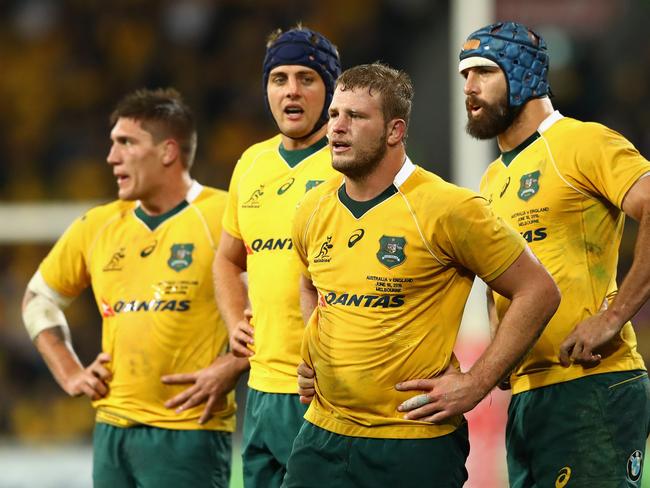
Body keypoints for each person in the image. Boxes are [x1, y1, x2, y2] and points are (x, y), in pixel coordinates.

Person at [283, 62, 560, 488]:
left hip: (412, 442)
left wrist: (475, 384)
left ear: (394, 131)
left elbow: (538, 291)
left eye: (355, 117)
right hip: (321, 436)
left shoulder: (449, 209)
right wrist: (313, 354)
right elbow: (309, 282)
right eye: (334, 114)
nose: (337, 127)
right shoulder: (312, 209)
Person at [426, 20, 649, 487]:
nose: (468, 87)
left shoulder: (581, 142)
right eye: (464, 75)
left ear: (524, 73)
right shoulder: (491, 179)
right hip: (529, 396)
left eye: (483, 71)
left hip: (591, 387)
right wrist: (500, 348)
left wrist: (613, 317)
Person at [21, 88, 248, 488]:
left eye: (126, 143)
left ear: (167, 152)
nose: (111, 157)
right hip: (112, 430)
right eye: (112, 144)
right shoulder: (99, 224)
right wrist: (70, 371)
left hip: (189, 432)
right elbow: (39, 300)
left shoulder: (224, 215)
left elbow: (276, 303)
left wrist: (232, 365)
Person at [213, 25, 342, 487]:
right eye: (279, 78)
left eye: (306, 78)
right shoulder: (250, 164)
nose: (291, 90)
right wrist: (234, 321)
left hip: (327, 388)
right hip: (263, 387)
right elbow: (228, 259)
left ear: (330, 89)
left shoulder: (349, 161)